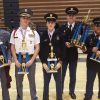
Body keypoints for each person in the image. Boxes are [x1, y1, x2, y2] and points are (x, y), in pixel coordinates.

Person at [10, 8, 40, 100]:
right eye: (23, 17)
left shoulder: (34, 32)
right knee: (19, 81)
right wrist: (15, 60)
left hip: (30, 60)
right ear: (20, 19)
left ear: (29, 19)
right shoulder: (14, 32)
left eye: (27, 18)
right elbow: (12, 47)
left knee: (32, 81)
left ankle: (34, 97)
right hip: (18, 59)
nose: (25, 20)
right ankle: (19, 98)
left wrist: (32, 60)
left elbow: (37, 47)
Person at [60, 7, 83, 99]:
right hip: (64, 56)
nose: (71, 17)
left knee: (72, 75)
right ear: (67, 17)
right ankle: (60, 90)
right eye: (69, 15)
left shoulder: (79, 28)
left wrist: (74, 44)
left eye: (73, 15)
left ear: (75, 17)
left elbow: (80, 41)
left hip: (73, 56)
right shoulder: (62, 28)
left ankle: (71, 91)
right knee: (62, 75)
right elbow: (59, 40)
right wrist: (64, 43)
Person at [39, 13, 63, 100]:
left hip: (57, 64)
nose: (50, 24)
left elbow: (63, 49)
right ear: (46, 23)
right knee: (46, 84)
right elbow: (40, 51)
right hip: (46, 65)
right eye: (49, 22)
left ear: (55, 23)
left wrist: (60, 62)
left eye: (52, 22)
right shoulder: (43, 35)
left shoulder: (60, 34)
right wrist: (43, 63)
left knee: (58, 84)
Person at [84, 17, 100, 100]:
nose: (98, 27)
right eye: (96, 25)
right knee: (90, 81)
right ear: (93, 26)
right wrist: (91, 50)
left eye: (99, 25)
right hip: (91, 64)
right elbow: (84, 49)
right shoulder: (89, 37)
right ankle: (88, 95)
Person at [0, 28, 12, 100]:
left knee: (4, 85)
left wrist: (9, 58)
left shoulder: (6, 34)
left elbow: (9, 49)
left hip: (3, 64)